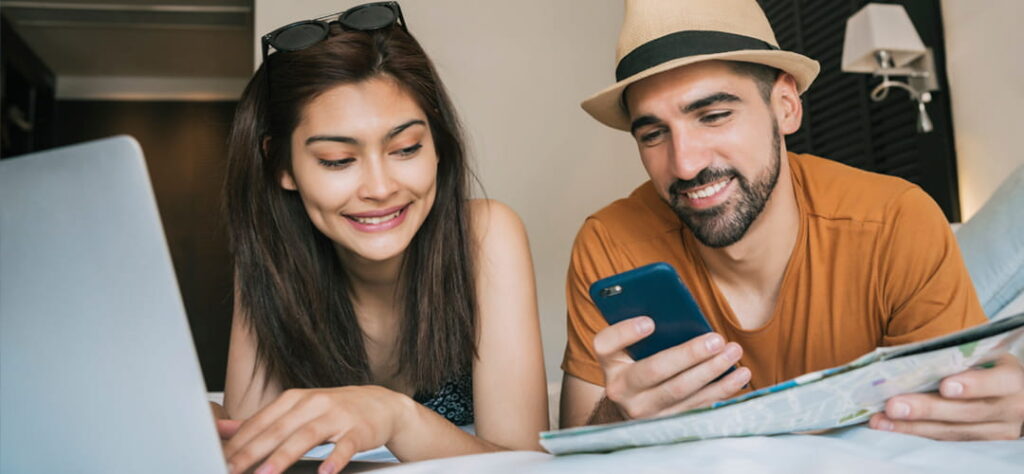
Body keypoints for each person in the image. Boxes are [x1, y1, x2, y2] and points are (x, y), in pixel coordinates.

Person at [560, 0, 1024, 441]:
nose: (684, 165)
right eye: (653, 134)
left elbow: (956, 428)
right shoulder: (609, 243)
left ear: (785, 106)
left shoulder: (897, 222)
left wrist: (1000, 413)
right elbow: (573, 442)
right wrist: (620, 416)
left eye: (714, 115)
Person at [214, 3, 548, 473]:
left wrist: (396, 417)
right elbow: (256, 457)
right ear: (281, 166)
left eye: (406, 149)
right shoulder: (271, 259)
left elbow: (525, 466)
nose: (380, 188)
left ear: (436, 143)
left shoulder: (487, 236)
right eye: (337, 160)